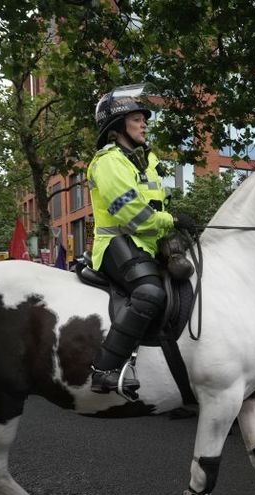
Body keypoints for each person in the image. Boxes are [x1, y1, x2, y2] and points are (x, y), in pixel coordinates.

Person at [86, 84, 194, 398]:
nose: (144, 124)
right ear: (118, 126)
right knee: (149, 293)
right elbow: (134, 216)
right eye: (136, 119)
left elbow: (156, 206)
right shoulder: (108, 162)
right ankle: (105, 369)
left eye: (144, 119)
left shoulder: (146, 160)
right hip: (116, 244)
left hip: (148, 242)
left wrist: (173, 233)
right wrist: (172, 221)